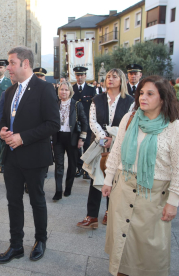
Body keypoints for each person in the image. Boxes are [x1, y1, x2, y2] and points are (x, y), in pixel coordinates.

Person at [101, 75, 179, 276]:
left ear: (163, 98)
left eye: (150, 93)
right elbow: (116, 152)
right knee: (122, 248)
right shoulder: (130, 118)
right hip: (123, 189)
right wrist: (108, 180)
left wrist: (173, 201)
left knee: (149, 249)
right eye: (141, 93)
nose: (143, 97)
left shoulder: (174, 127)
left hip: (154, 197)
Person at [0, 46, 60, 264]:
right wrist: (3, 130)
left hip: (34, 157)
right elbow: (4, 118)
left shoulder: (45, 88)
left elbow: (53, 124)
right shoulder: (10, 91)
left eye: (12, 63)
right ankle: (16, 245)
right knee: (13, 202)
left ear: (26, 63)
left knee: (37, 201)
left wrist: (23, 137)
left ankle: (41, 240)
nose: (8, 67)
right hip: (11, 158)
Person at [77, 68, 134, 229]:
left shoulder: (130, 101)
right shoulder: (97, 98)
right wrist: (104, 138)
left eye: (114, 77)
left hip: (119, 143)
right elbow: (92, 121)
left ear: (121, 80)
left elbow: (129, 123)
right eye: (108, 76)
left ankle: (110, 212)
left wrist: (113, 138)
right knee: (96, 177)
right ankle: (92, 216)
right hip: (99, 143)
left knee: (114, 179)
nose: (110, 79)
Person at [52, 80, 87, 200]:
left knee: (72, 165)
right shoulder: (55, 104)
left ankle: (68, 188)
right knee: (59, 165)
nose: (63, 92)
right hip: (58, 138)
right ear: (58, 91)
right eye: (61, 89)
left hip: (73, 138)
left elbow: (84, 122)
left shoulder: (77, 105)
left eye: (66, 90)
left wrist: (82, 138)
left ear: (70, 92)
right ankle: (58, 191)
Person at [72, 66, 96, 179]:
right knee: (76, 147)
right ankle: (79, 167)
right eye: (77, 75)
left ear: (85, 76)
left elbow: (93, 107)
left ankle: (86, 169)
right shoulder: (72, 89)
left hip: (87, 123)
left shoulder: (91, 89)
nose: (80, 77)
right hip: (75, 123)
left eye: (82, 75)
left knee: (87, 146)